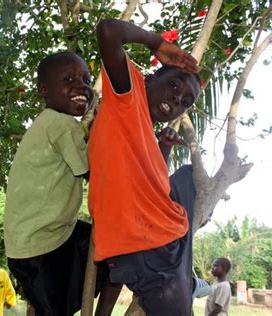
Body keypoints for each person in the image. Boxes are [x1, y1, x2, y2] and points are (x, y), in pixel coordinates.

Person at [88, 18, 201, 316]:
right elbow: (108, 30)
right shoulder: (128, 94)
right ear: (150, 79)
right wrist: (157, 44)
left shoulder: (145, 137)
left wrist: (162, 148)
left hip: (161, 238)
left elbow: (154, 188)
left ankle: (185, 281)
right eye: (174, 85)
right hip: (151, 245)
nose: (178, 98)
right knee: (189, 178)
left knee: (185, 177)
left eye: (186, 102)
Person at [4, 51, 116, 315]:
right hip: (40, 247)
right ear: (44, 89)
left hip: (44, 238)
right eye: (68, 79)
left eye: (86, 80)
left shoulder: (47, 123)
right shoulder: (62, 124)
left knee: (105, 248)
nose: (81, 86)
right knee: (110, 250)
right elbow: (93, 171)